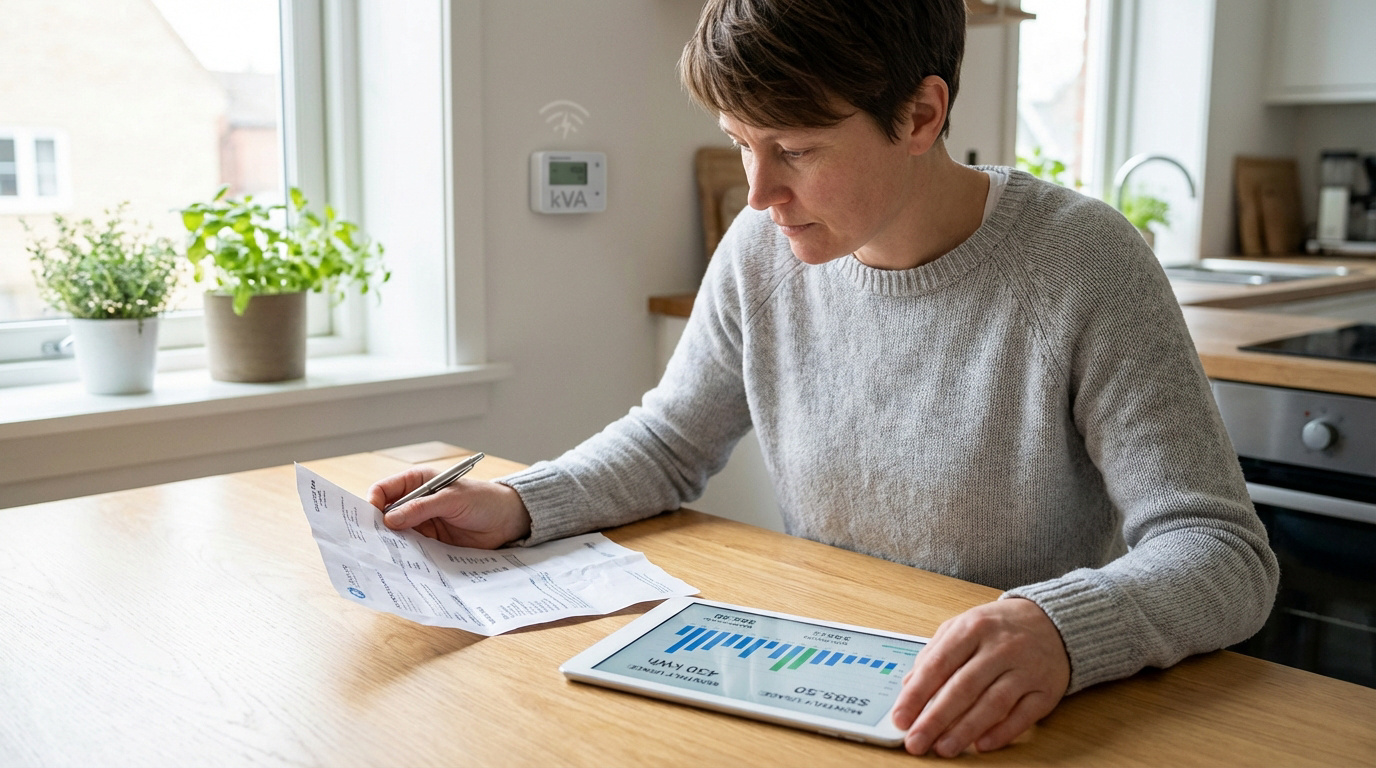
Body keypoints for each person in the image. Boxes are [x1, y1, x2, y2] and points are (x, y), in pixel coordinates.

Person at [369, 0, 1278, 757]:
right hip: (833, 683)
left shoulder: (1084, 263)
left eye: (795, 150)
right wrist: (519, 504)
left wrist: (1062, 633)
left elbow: (1222, 552)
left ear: (921, 116)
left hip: (1022, 720)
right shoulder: (761, 252)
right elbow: (668, 442)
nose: (758, 193)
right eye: (738, 143)